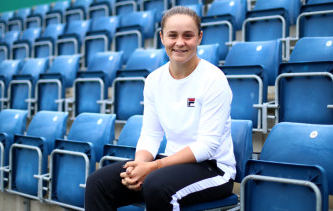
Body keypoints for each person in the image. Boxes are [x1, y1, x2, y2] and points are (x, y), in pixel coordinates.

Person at [85, 6, 235, 211]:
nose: (180, 42)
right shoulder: (154, 79)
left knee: (156, 185)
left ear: (199, 38)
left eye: (188, 36)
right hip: (169, 164)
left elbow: (207, 145)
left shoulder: (213, 79)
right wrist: (139, 167)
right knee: (98, 183)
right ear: (162, 37)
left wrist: (153, 167)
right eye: (172, 35)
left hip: (213, 169)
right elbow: (151, 133)